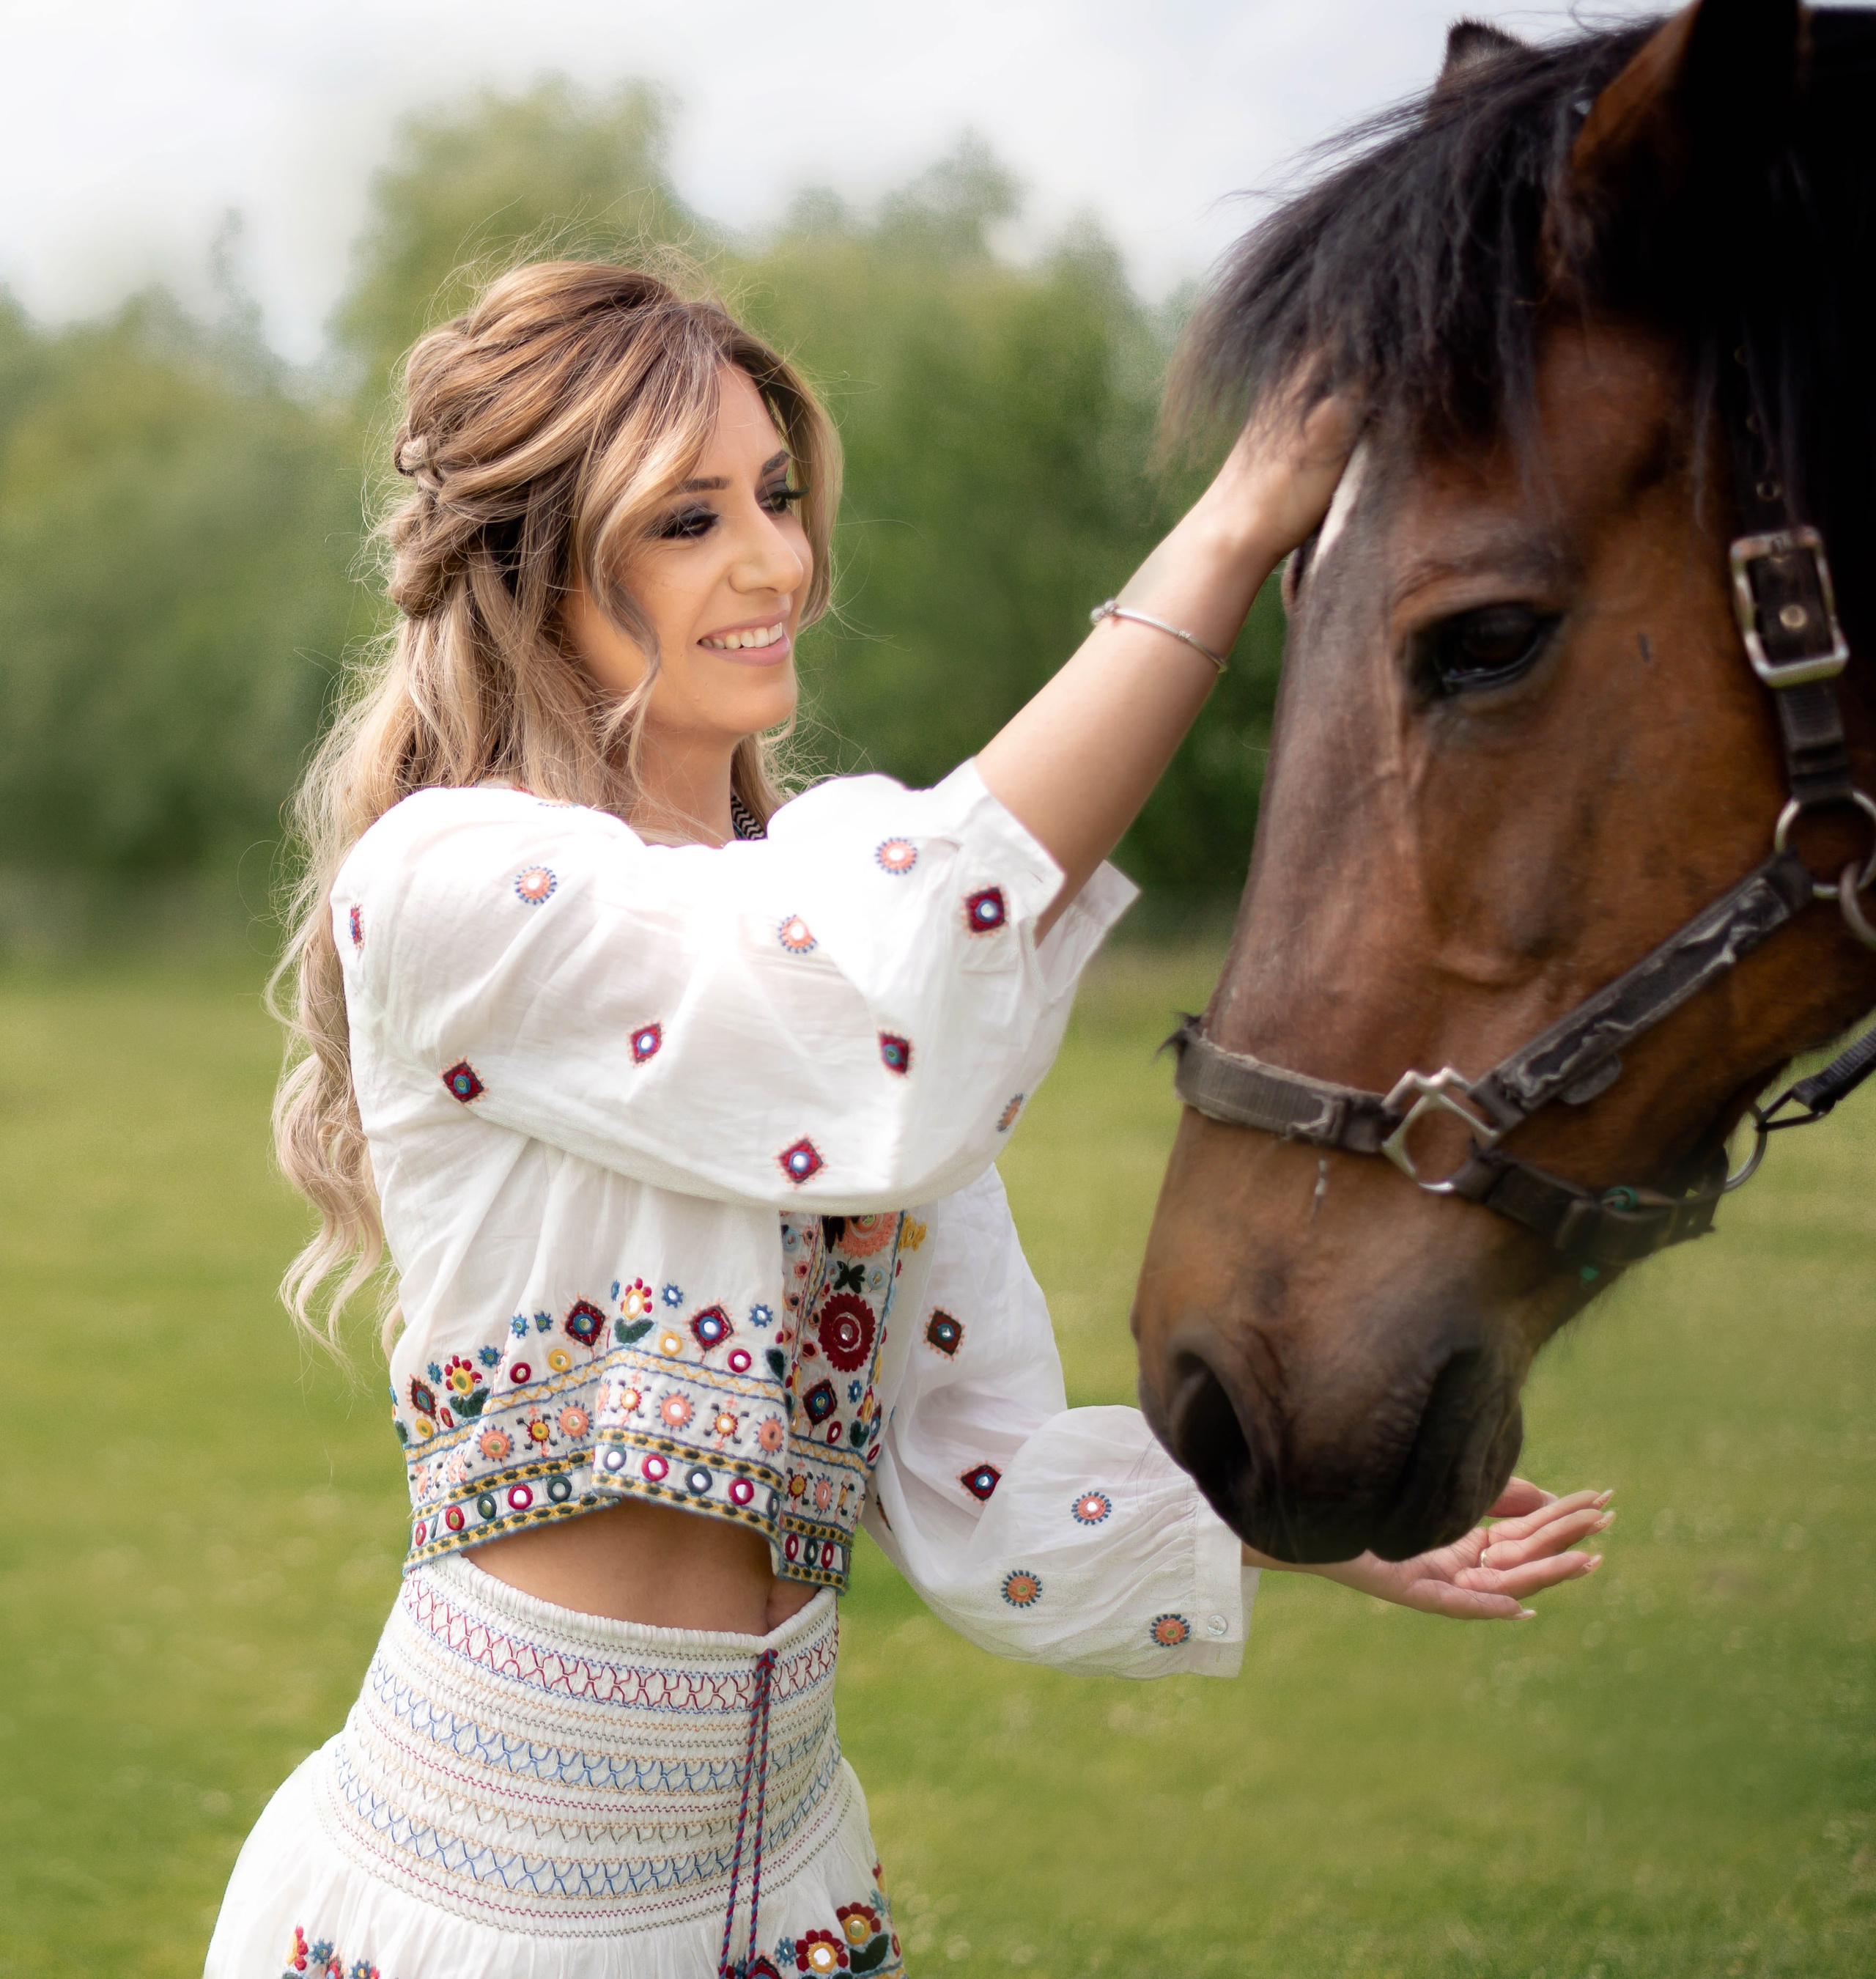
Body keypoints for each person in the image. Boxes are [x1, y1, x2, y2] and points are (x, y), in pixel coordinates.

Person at [204, 261, 1611, 1979]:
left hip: (791, 1903)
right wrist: (1227, 532)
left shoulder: (815, 946)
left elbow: (979, 1479)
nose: (773, 561)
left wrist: (1295, 1505)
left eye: (778, 497)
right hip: (480, 1905)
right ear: (531, 568)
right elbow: (887, 1017)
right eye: (686, 519)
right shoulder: (452, 882)